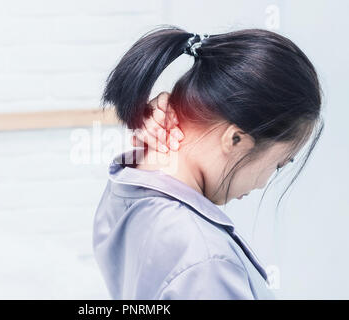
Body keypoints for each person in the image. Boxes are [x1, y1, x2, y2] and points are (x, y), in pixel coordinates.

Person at [92, 25, 324, 299]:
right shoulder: (206, 261)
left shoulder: (125, 186)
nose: (263, 183)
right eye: (279, 164)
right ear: (236, 139)